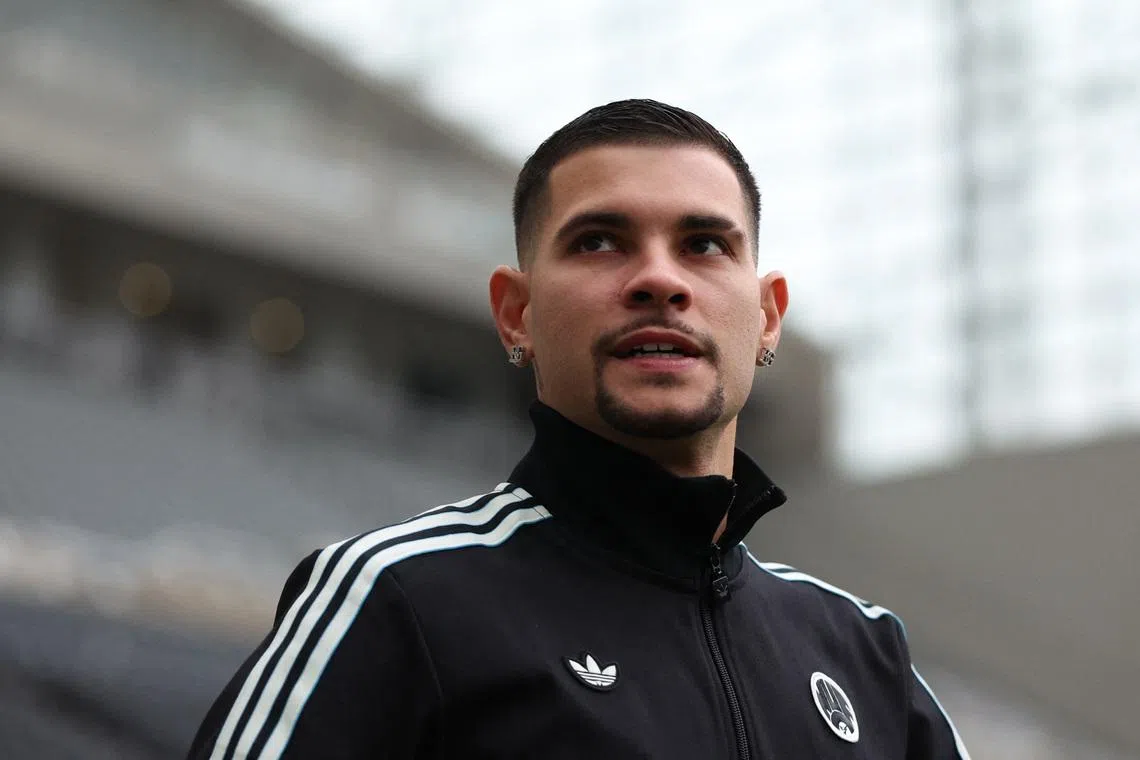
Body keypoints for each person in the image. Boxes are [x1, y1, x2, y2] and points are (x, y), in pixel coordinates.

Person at [188, 99, 971, 759]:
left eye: (704, 244)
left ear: (767, 317)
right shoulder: (397, 597)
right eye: (600, 241)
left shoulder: (867, 655)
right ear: (516, 313)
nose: (660, 280)